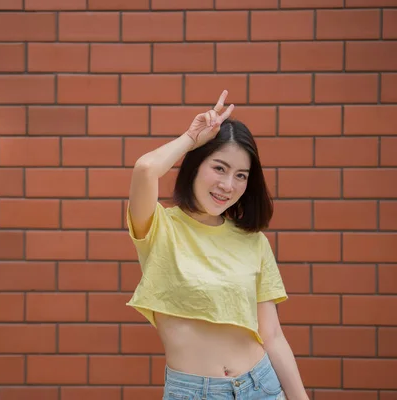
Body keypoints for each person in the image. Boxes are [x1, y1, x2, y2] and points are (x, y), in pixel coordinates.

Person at [125, 90, 309, 400]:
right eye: (219, 168)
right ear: (195, 166)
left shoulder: (253, 241)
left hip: (261, 387)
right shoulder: (160, 227)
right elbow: (145, 169)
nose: (228, 185)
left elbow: (273, 336)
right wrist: (190, 137)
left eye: (241, 175)